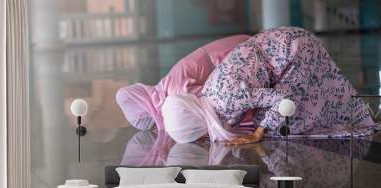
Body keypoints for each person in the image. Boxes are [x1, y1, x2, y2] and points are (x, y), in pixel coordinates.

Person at [162, 27, 376, 144]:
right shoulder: (209, 95)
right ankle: (356, 116)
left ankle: (357, 121)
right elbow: (241, 103)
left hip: (295, 51)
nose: (203, 138)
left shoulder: (224, 99)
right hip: (284, 41)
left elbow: (281, 98)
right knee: (268, 120)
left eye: (197, 136)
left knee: (282, 127)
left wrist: (258, 133)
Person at [116, 34, 251, 131]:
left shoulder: (176, 93)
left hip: (238, 56)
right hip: (231, 52)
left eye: (154, 125)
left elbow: (221, 98)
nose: (159, 127)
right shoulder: (164, 88)